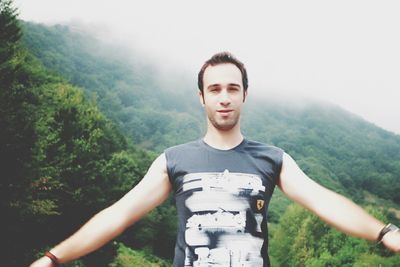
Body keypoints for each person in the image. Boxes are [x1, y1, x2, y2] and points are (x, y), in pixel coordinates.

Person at [31, 52, 400, 267]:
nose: (224, 97)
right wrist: (52, 258)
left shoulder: (272, 159)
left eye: (232, 88)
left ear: (244, 96)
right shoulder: (173, 160)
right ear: (202, 97)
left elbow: (324, 201)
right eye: (215, 89)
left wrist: (385, 233)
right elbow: (119, 214)